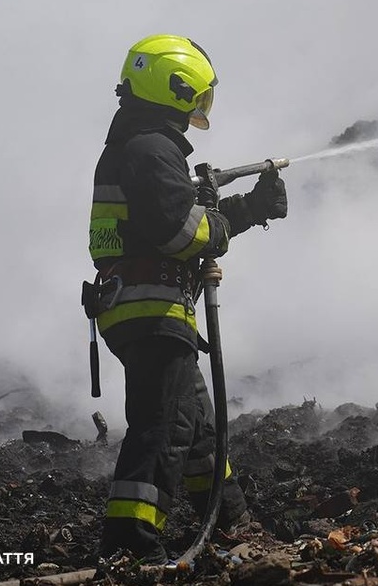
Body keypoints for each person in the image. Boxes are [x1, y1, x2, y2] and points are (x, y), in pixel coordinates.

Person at [86, 34, 287, 563]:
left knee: (194, 423)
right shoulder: (152, 148)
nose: (202, 108)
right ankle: (130, 546)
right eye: (199, 96)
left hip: (143, 303)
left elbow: (171, 224)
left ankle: (230, 520)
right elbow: (179, 232)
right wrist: (238, 215)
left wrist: (240, 209)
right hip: (152, 306)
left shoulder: (137, 145)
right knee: (163, 427)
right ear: (175, 89)